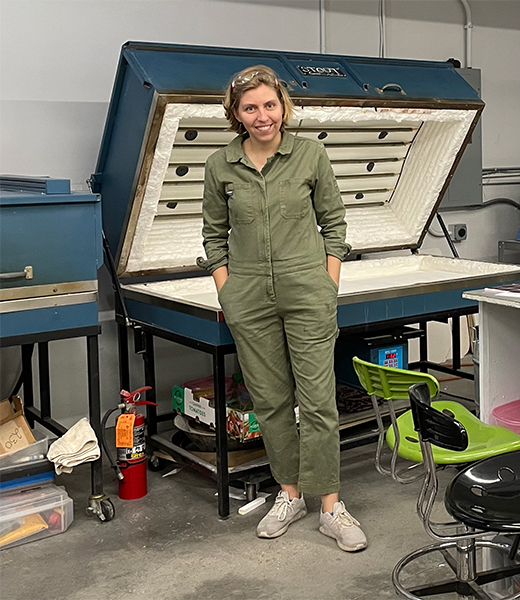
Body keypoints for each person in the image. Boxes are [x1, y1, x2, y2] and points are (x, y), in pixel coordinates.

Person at [201, 65, 367, 552]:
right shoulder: (220, 166)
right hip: (249, 298)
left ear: (283, 106)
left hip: (307, 292)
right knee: (271, 402)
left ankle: (331, 506)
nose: (262, 116)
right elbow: (213, 235)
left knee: (318, 401)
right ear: (236, 114)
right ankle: (290, 495)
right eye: (250, 108)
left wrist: (327, 282)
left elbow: (334, 224)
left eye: (269, 105)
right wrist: (228, 291)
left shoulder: (310, 155)